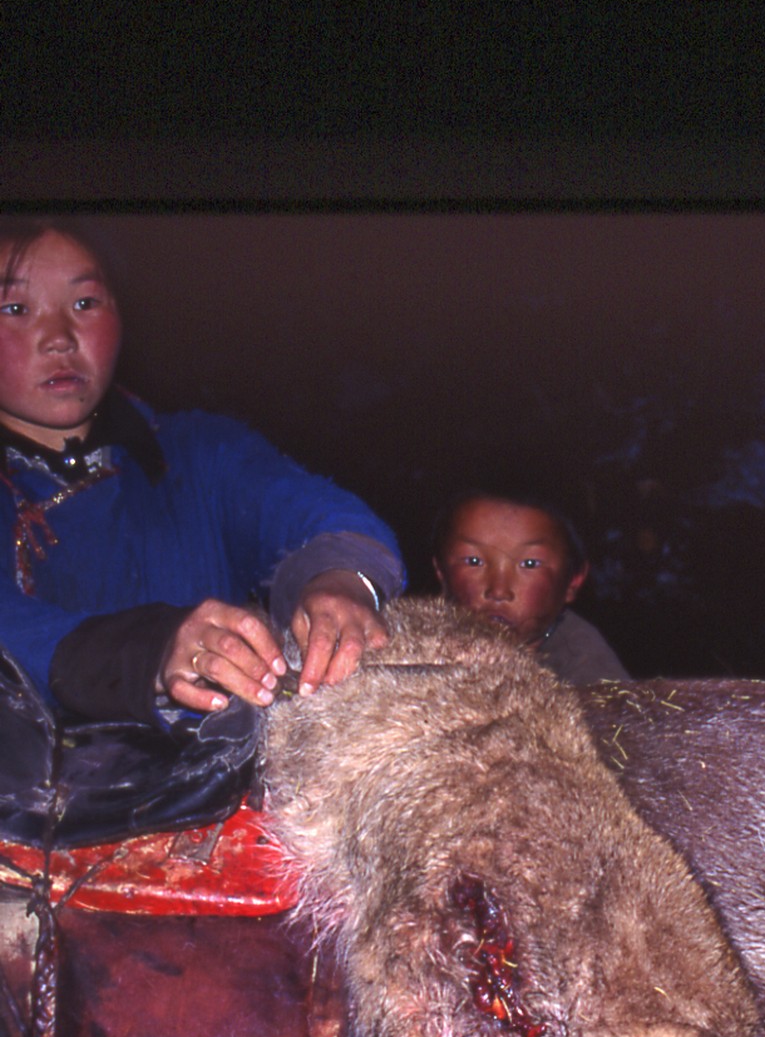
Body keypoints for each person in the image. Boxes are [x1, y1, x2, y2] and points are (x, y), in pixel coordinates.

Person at [0, 217, 401, 727]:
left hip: (216, 768)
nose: (59, 338)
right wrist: (148, 649)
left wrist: (338, 581)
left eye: (85, 303)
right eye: (15, 309)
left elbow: (323, 516)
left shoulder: (197, 452)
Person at [431, 489, 629, 684]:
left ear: (573, 580)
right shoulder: (421, 643)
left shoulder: (590, 678)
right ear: (440, 570)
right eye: (473, 561)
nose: (498, 591)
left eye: (530, 564)